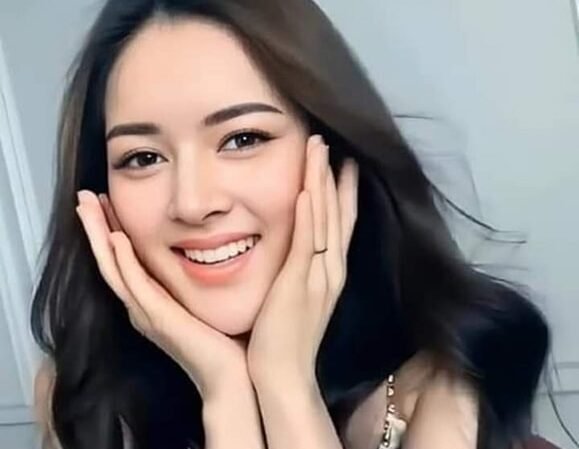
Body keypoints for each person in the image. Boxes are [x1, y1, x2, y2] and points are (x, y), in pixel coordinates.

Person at [30, 1, 550, 448]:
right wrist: (226, 396)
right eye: (143, 158)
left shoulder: (442, 381)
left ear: (333, 153)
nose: (192, 203)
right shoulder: (84, 392)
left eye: (243, 139)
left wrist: (284, 382)